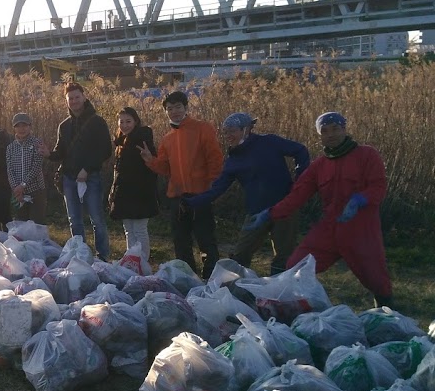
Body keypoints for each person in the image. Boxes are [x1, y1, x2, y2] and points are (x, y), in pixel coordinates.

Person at [250, 112, 393, 307]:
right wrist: (270, 213)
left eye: (335, 128)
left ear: (344, 129)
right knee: (297, 265)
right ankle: (299, 309)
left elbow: (378, 186)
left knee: (376, 278)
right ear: (320, 136)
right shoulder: (319, 166)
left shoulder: (367, 155)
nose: (331, 134)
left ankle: (387, 313)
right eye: (325, 131)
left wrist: (360, 199)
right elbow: (297, 196)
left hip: (362, 229)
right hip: (330, 229)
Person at [182, 112, 311, 274]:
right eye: (226, 132)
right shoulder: (233, 160)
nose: (228, 136)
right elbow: (217, 189)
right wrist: (191, 202)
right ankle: (235, 290)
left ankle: (276, 293)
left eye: (232, 131)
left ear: (246, 129)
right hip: (256, 212)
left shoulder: (269, 142)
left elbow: (301, 151)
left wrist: (300, 182)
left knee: (284, 256)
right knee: (240, 254)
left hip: (285, 206)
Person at [141, 91, 224, 279]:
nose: (174, 112)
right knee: (180, 241)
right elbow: (165, 168)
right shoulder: (168, 138)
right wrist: (150, 160)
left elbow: (214, 158)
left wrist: (213, 187)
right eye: (169, 109)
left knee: (206, 239)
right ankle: (188, 278)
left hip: (201, 194)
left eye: (178, 107)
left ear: (186, 107)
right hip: (177, 197)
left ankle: (211, 278)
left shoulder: (203, 128)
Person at [49, 82, 113, 260]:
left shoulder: (97, 122)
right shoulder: (64, 125)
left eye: (77, 97)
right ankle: (80, 256)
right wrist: (48, 154)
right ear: (66, 101)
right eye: (71, 98)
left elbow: (105, 149)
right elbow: (61, 152)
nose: (74, 101)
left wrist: (87, 169)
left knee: (97, 220)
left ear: (84, 97)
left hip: (90, 177)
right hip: (69, 178)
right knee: (74, 220)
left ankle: (102, 257)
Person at [108, 106, 159, 257]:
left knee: (140, 230)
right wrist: (113, 191)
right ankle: (132, 259)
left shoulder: (142, 140)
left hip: (141, 193)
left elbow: (153, 166)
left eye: (128, 121)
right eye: (121, 122)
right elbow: (118, 171)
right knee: (129, 229)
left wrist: (149, 158)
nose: (124, 125)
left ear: (136, 122)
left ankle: (142, 261)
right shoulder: (121, 143)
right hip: (124, 193)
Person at [6, 112, 50, 223]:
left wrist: (23, 185)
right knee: (21, 224)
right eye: (18, 126)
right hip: (18, 193)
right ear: (14, 128)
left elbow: (36, 166)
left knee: (37, 224)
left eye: (24, 125)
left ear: (30, 126)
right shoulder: (10, 147)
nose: (22, 129)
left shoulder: (37, 143)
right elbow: (9, 169)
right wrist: (16, 189)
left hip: (36, 190)